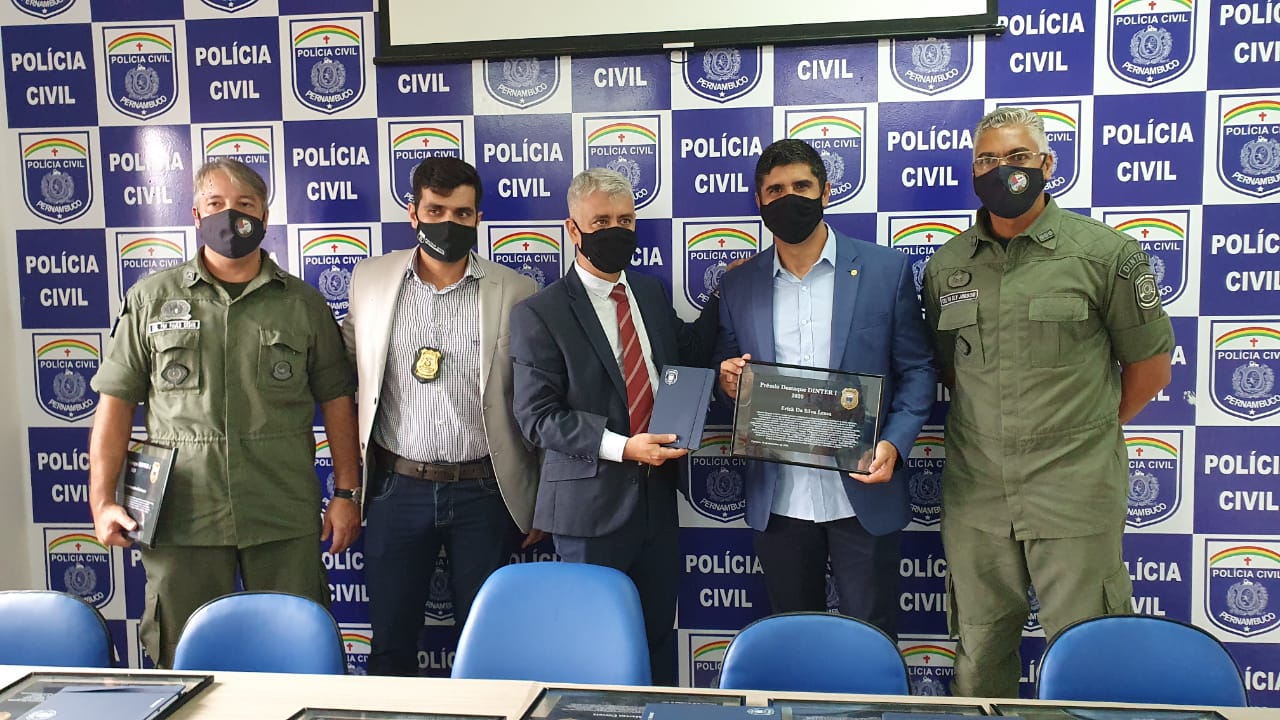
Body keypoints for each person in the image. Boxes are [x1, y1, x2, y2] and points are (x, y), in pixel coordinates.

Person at [920, 107, 1174, 697]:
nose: (1002, 169)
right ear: (973, 170)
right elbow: (952, 371)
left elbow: (1150, 368)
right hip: (978, 493)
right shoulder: (948, 266)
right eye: (987, 159)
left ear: (1048, 165)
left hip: (1073, 489)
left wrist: (1085, 432)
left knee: (1088, 652)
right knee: (980, 649)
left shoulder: (1106, 255)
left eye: (1017, 157)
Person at [88, 158, 361, 668]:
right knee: (182, 656)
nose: (231, 215)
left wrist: (346, 493)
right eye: (216, 204)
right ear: (196, 214)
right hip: (181, 514)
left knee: (294, 653)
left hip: (281, 511)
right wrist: (102, 501)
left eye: (244, 204)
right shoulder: (151, 300)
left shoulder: (302, 304)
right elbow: (116, 404)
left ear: (264, 216)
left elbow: (337, 401)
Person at [716, 139, 936, 637]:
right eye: (775, 190)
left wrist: (894, 444)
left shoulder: (885, 270)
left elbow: (918, 370)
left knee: (872, 642)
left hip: (863, 492)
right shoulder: (738, 285)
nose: (789, 198)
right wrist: (728, 382)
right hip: (780, 501)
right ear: (759, 201)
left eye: (801, 186)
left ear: (826, 192)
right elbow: (723, 373)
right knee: (795, 643)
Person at [509, 168, 720, 685]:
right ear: (573, 228)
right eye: (601, 221)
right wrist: (624, 448)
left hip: (658, 500)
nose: (615, 230)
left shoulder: (649, 292)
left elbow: (687, 354)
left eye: (625, 220)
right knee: (591, 649)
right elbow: (537, 417)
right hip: (588, 510)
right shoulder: (540, 312)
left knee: (657, 639)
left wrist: (725, 294)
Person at [342, 157, 541, 676]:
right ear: (413, 213)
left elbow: (535, 396)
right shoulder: (370, 279)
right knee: (390, 643)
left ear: (478, 218)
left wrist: (541, 494)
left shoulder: (516, 290)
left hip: (484, 491)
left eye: (462, 213)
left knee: (485, 649)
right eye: (435, 210)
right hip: (396, 488)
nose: (448, 222)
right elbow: (342, 370)